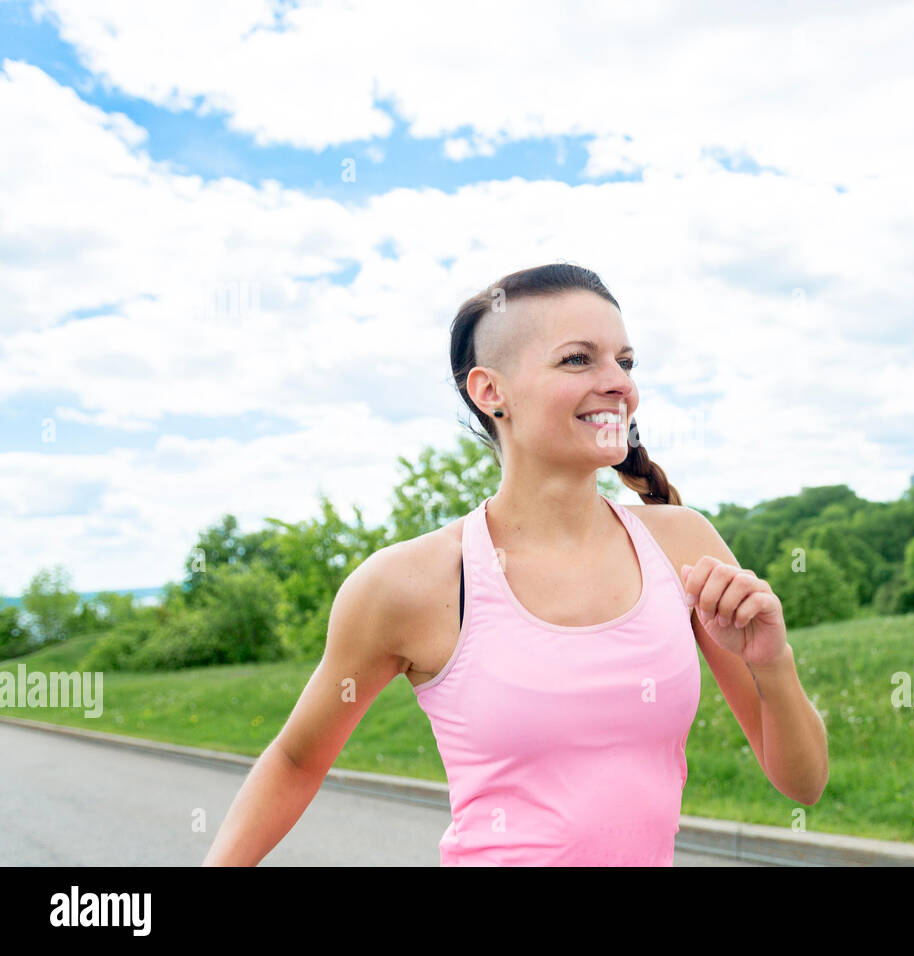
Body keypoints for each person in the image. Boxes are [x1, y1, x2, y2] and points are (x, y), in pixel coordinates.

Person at [202, 262, 827, 866]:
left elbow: (802, 783)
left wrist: (772, 663)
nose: (620, 383)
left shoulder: (683, 545)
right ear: (491, 391)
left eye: (626, 361)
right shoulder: (410, 584)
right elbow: (295, 761)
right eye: (578, 358)